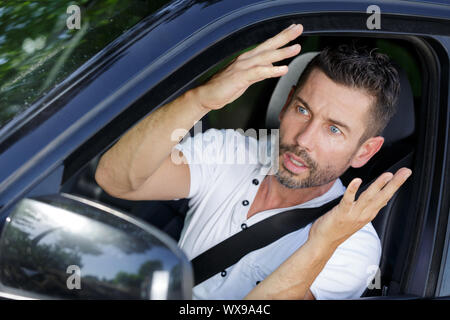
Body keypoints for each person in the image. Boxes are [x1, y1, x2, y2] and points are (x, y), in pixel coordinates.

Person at [94, 24, 412, 299]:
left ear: (364, 151)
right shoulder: (230, 149)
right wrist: (201, 99)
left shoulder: (352, 243)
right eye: (303, 110)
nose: (303, 140)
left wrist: (322, 242)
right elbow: (116, 179)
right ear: (286, 104)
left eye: (333, 129)